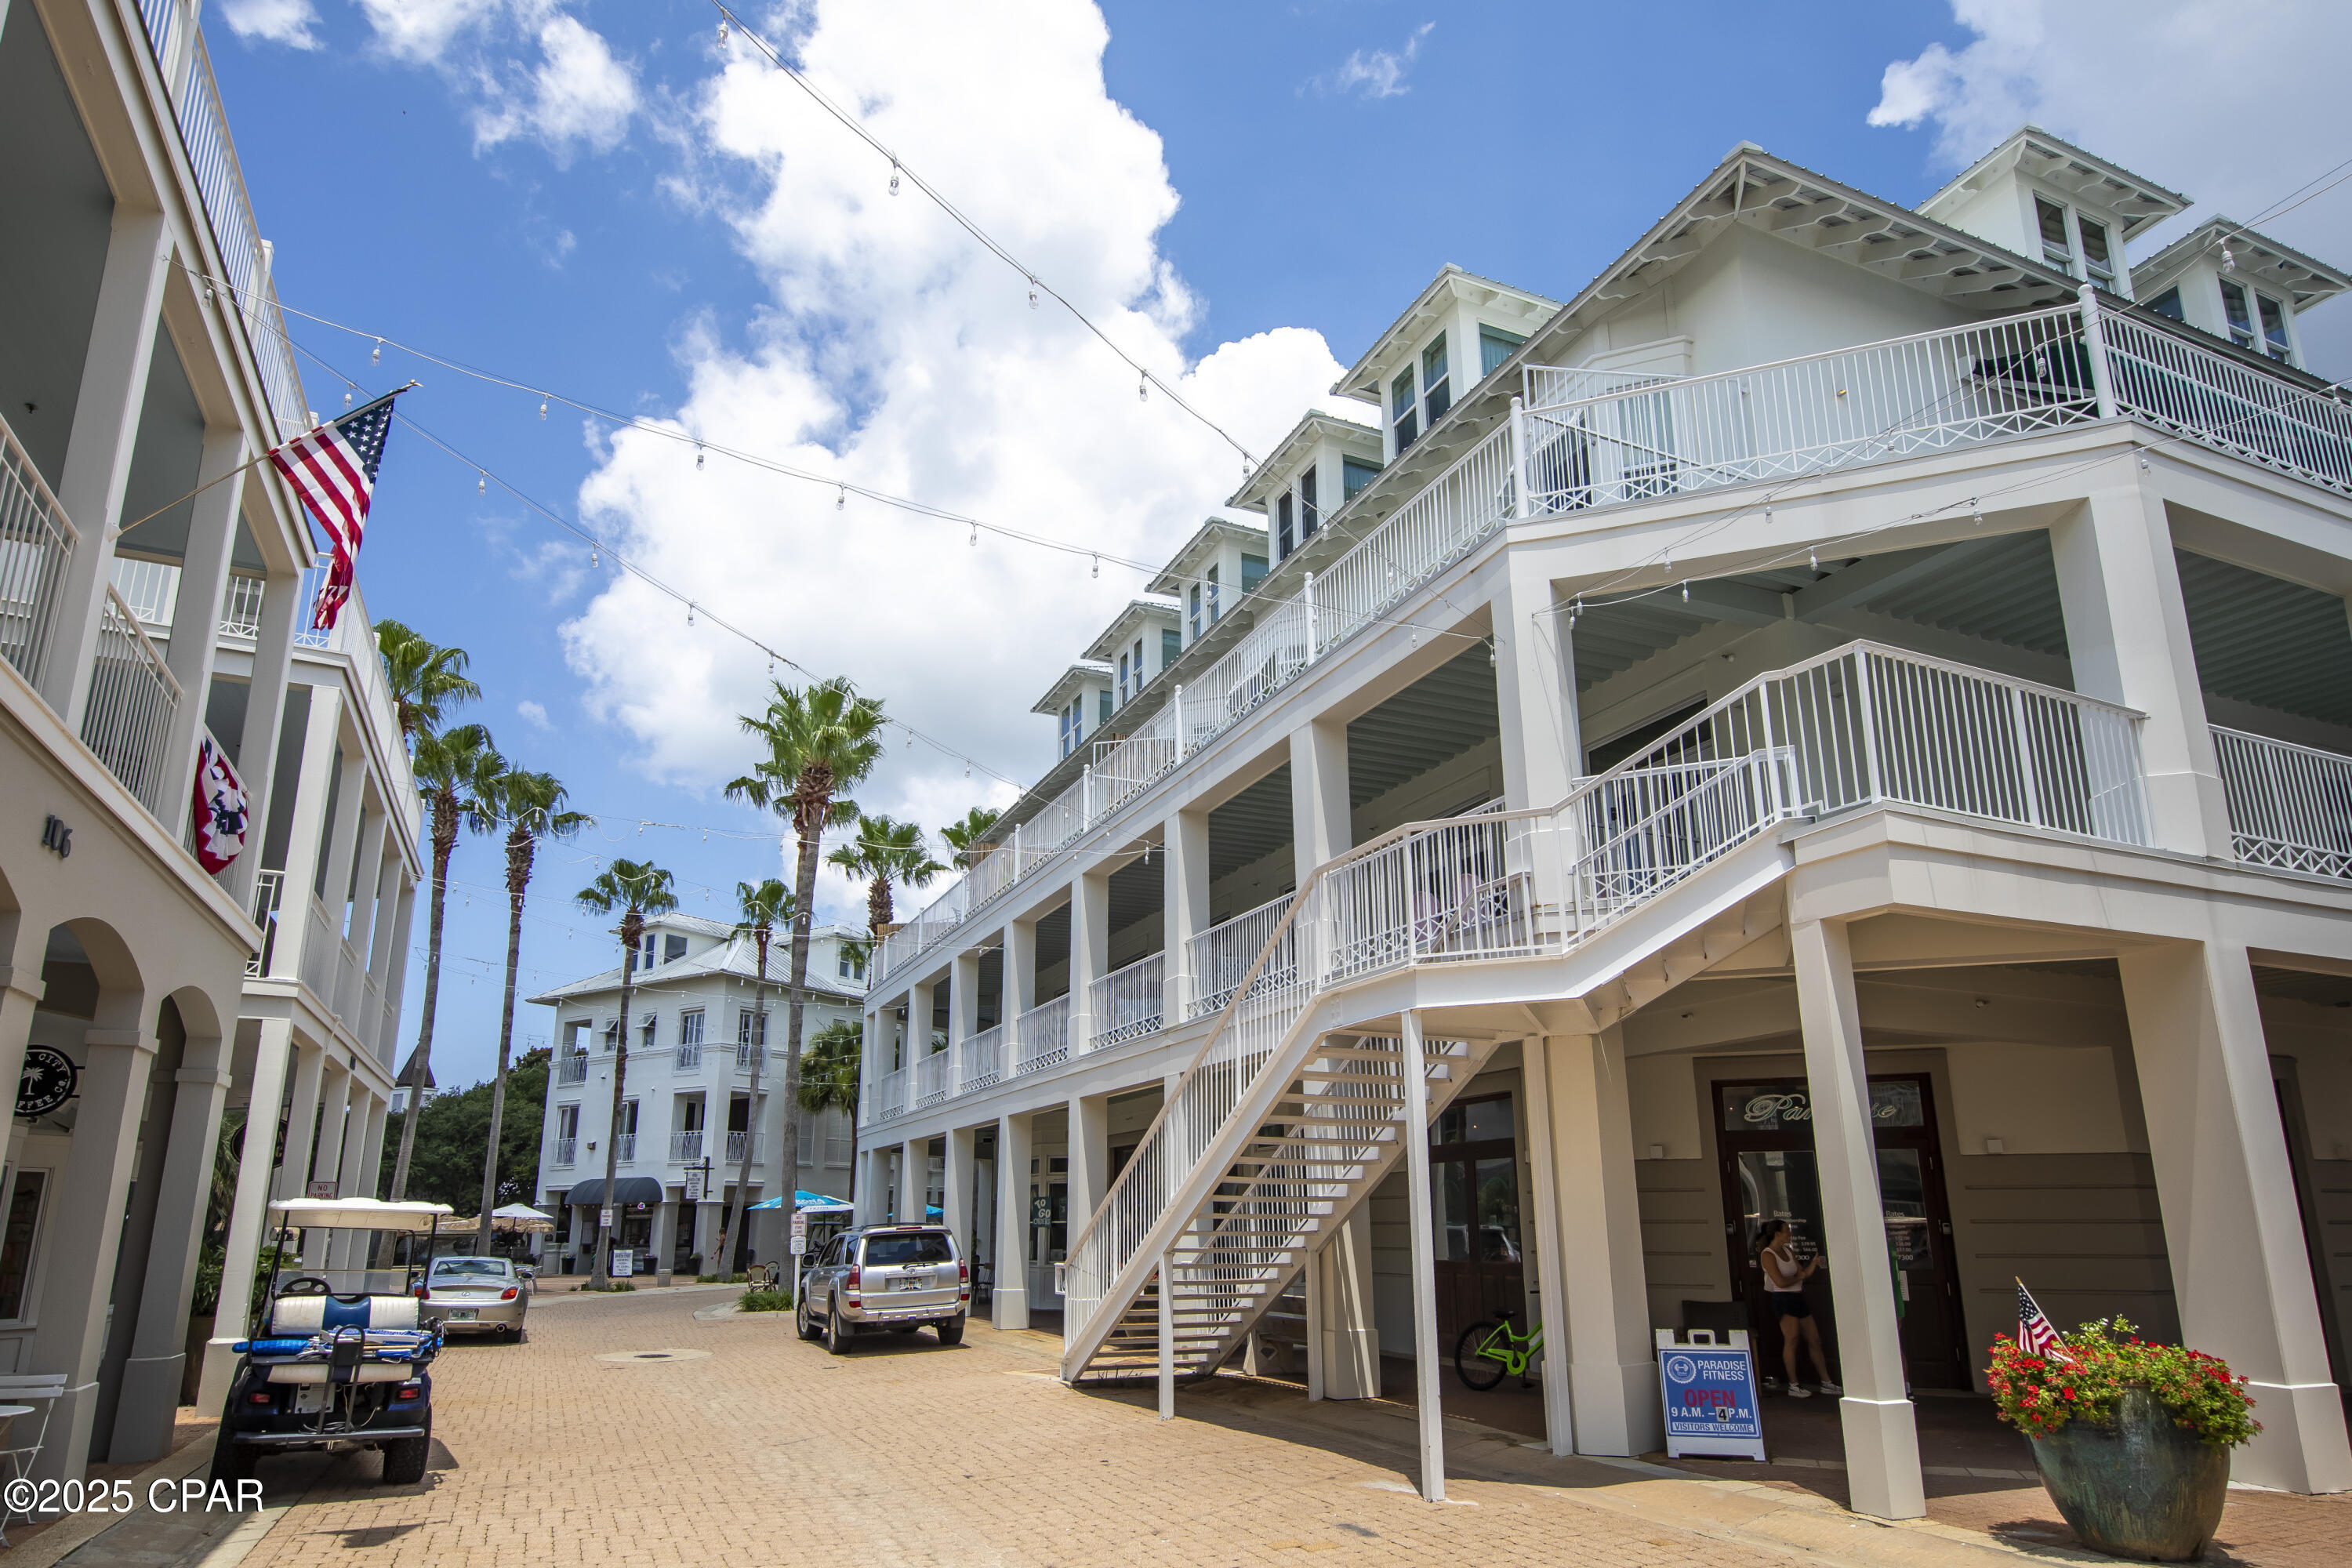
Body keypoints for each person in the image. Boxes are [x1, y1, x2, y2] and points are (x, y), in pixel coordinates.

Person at [1757, 1219, 1840, 1398]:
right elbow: (1780, 1282)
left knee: (1815, 1339)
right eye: (1787, 1230)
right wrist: (1798, 1277)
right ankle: (1794, 1385)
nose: (1790, 1234)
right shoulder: (1768, 1254)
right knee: (1792, 1339)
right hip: (1782, 1299)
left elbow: (1803, 1273)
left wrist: (1813, 1264)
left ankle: (1827, 1382)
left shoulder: (1788, 1250)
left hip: (1797, 1297)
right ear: (1778, 1234)